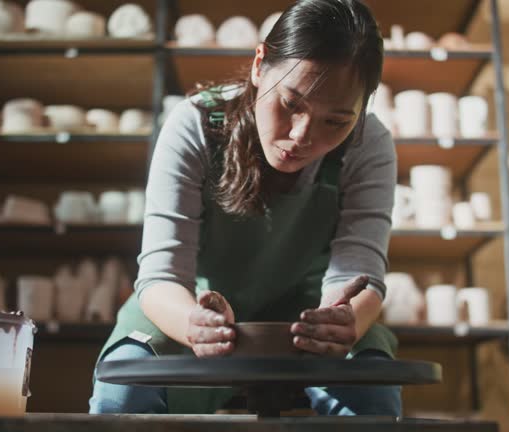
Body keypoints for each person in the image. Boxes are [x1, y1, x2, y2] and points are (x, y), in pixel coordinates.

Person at [89, 0, 400, 416]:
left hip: (311, 316)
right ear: (259, 65)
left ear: (361, 111)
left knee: (372, 394)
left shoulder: (369, 144)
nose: (301, 136)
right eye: (291, 104)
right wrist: (192, 325)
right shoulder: (195, 124)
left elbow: (359, 276)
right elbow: (162, 274)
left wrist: (345, 320)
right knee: (123, 391)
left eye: (336, 121)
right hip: (195, 305)